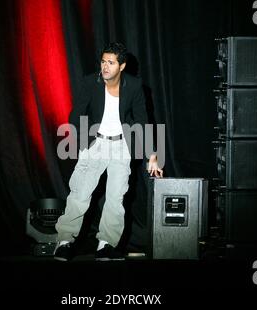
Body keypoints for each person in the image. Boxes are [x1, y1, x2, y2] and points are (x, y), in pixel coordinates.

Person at [54, 42, 163, 261]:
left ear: (121, 66)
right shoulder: (90, 82)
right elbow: (76, 115)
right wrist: (85, 143)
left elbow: (142, 121)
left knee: (116, 198)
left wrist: (152, 154)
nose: (105, 67)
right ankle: (64, 242)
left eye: (111, 63)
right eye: (103, 62)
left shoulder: (133, 85)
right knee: (79, 195)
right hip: (96, 143)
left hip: (121, 146)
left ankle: (105, 245)